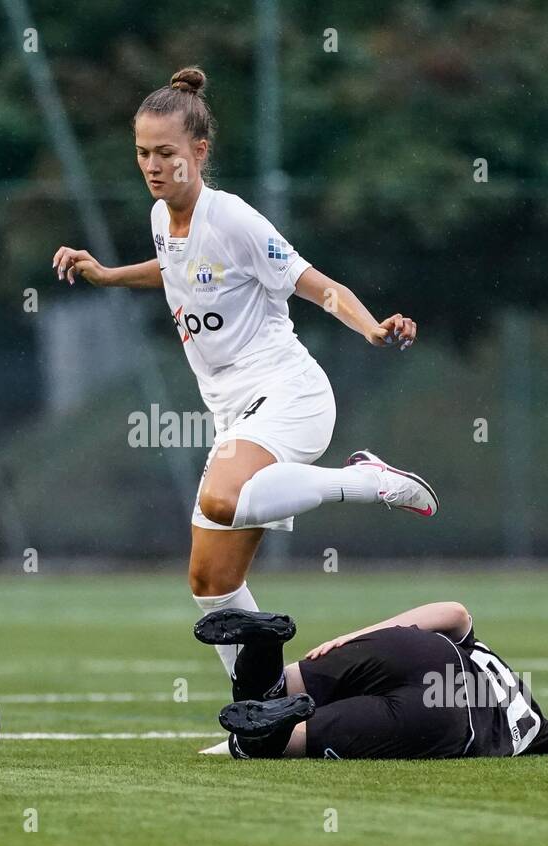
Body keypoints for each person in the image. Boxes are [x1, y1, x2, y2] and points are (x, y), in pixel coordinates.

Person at [51, 66, 437, 680]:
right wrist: (107, 275)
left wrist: (371, 328)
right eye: (142, 154)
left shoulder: (233, 218)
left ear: (199, 152)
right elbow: (175, 268)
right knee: (211, 581)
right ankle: (262, 705)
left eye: (167, 154)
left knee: (221, 499)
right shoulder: (161, 219)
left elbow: (319, 285)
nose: (153, 166)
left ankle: (365, 479)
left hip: (287, 393)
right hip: (234, 410)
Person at [194, 602, 548, 760]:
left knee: (276, 687)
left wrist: (355, 636)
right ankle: (262, 737)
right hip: (447, 716)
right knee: (268, 743)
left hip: (417, 648)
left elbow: (455, 611)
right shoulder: (536, 726)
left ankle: (265, 644)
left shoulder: (486, 657)